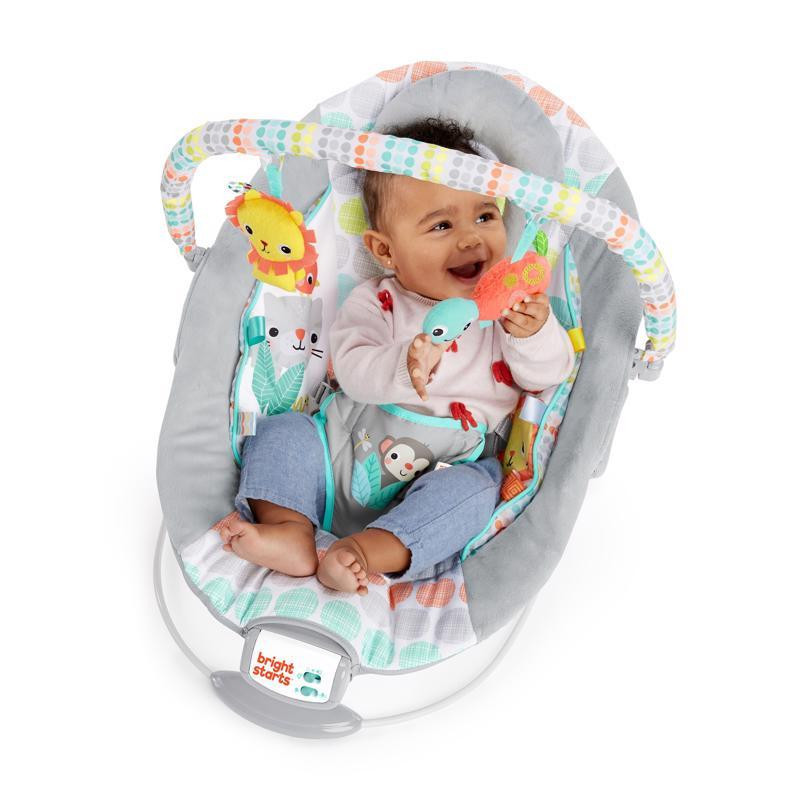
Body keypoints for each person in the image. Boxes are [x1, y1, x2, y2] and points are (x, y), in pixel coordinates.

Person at [218, 117, 575, 595]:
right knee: (283, 432)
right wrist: (404, 365)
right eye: (442, 225)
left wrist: (532, 334)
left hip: (446, 468)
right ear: (385, 250)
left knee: (478, 490)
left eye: (485, 217)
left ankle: (366, 551)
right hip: (341, 450)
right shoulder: (378, 301)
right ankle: (290, 529)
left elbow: (548, 376)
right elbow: (352, 369)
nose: (471, 239)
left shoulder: (503, 316)